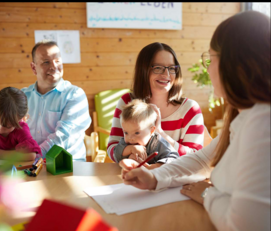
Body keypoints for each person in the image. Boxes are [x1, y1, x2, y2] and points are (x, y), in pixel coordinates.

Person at [119, 11, 270, 231]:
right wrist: (154, 177)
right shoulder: (244, 115)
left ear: (234, 64)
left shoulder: (263, 125)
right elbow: (202, 160)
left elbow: (243, 225)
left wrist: (208, 194)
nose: (207, 68)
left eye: (210, 59)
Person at [107, 42, 205, 162]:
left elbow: (196, 158)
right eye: (158, 68)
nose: (166, 74)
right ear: (143, 70)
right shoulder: (127, 102)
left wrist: (160, 132)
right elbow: (112, 148)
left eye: (171, 68)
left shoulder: (190, 109)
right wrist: (131, 151)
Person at [22, 40, 91, 161]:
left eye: (58, 61)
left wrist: (33, 156)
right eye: (46, 62)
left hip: (67, 167)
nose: (54, 67)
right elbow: (7, 128)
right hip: (29, 165)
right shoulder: (22, 96)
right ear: (34, 68)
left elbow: (63, 137)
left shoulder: (75, 95)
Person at [113, 99, 179, 168]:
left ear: (151, 131)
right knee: (124, 162)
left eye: (137, 133)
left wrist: (157, 165)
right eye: (126, 132)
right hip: (132, 175)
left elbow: (174, 157)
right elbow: (116, 153)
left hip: (154, 176)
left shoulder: (158, 143)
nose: (130, 138)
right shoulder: (126, 143)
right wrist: (130, 149)